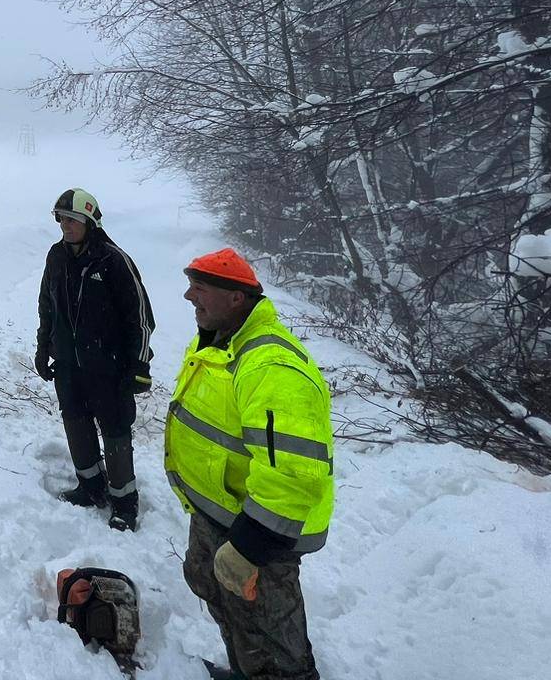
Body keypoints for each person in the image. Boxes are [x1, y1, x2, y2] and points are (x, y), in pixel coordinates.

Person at [165, 248, 334, 680]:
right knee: (232, 612)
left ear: (236, 298)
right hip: (223, 516)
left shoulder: (271, 365)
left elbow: (293, 474)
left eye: (200, 289)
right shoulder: (221, 342)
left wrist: (249, 546)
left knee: (272, 644)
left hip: (260, 536)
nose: (188, 296)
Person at [34, 187, 154, 531]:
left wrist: (139, 366)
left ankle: (124, 503)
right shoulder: (56, 257)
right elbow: (47, 305)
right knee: (75, 421)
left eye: (73, 220)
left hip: (109, 366)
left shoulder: (114, 261)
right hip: (69, 365)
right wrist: (44, 347)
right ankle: (90, 487)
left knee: (115, 432)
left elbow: (141, 317)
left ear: (91, 222)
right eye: (62, 219)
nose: (66, 226)